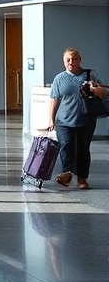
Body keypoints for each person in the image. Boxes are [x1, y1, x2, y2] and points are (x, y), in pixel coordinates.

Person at [47, 48, 107, 190]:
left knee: (83, 149)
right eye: (68, 59)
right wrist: (51, 119)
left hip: (85, 120)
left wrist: (94, 89)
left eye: (74, 59)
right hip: (64, 120)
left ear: (80, 60)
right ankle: (67, 174)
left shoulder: (90, 75)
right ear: (64, 62)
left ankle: (82, 178)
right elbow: (54, 99)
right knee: (66, 147)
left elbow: (104, 93)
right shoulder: (59, 78)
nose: (71, 62)